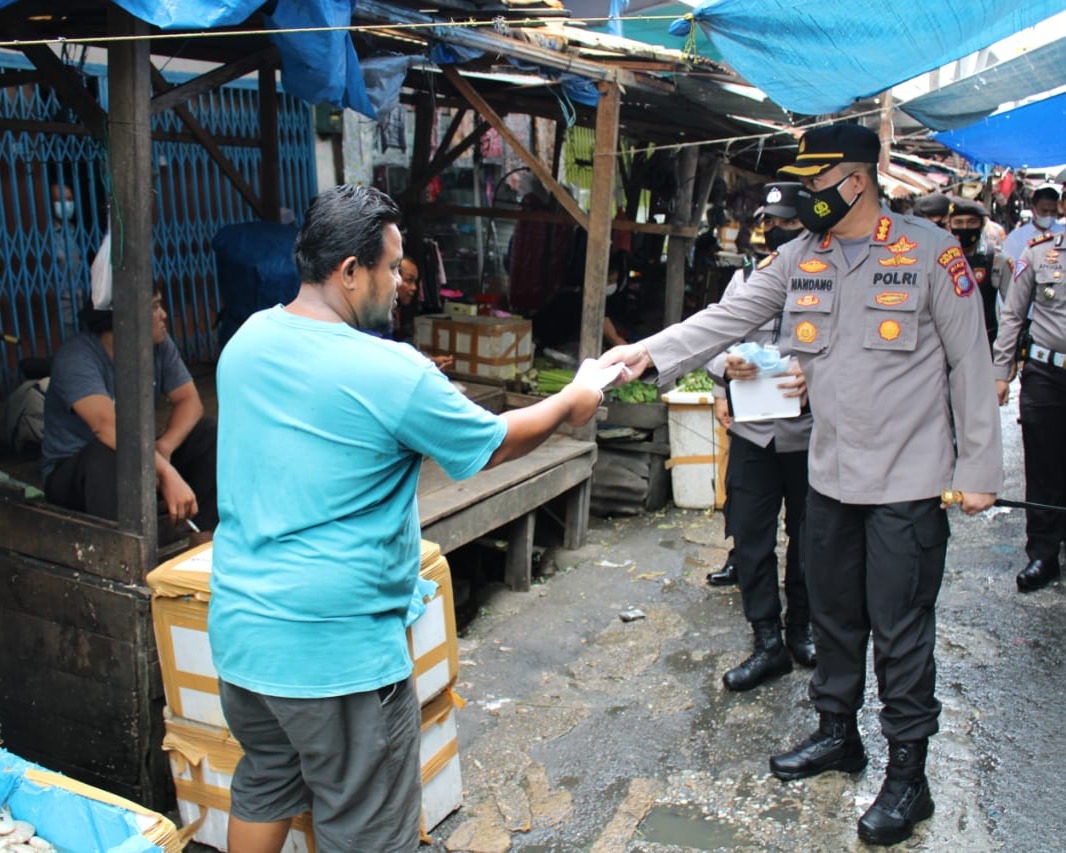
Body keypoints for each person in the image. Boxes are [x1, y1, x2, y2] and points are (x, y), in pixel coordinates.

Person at [600, 124, 1002, 847]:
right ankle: (837, 733)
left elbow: (971, 363)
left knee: (901, 630)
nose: (807, 196)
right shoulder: (798, 257)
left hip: (907, 484)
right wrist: (646, 353)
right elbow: (727, 318)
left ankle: (909, 775)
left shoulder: (930, 253)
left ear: (856, 180)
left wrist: (978, 468)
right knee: (836, 616)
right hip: (831, 478)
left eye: (817, 184)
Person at [208, 185, 603, 852]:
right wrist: (571, 400)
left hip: (243, 638)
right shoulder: (389, 369)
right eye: (392, 267)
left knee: (266, 781)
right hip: (337, 656)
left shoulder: (247, 340)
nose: (402, 284)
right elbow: (493, 441)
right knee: (365, 828)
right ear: (350, 271)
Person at [706, 181, 815, 691]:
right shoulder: (746, 278)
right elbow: (712, 336)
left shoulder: (826, 277)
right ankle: (766, 639)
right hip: (753, 431)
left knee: (810, 537)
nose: (778, 233)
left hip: (811, 432)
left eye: (788, 223)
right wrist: (723, 368)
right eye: (771, 224)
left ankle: (801, 630)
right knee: (750, 534)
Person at [40, 236, 216, 540]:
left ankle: (206, 539)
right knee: (107, 454)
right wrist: (165, 471)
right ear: (126, 317)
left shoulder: (158, 346)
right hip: (74, 475)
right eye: (155, 307)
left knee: (206, 433)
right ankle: (125, 561)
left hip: (140, 454)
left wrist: (164, 448)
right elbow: (109, 428)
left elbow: (190, 401)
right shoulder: (77, 357)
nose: (163, 316)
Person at [991, 227, 1066, 593]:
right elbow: (1013, 315)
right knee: (1043, 465)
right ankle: (1043, 553)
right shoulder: (1039, 253)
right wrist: (1001, 372)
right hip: (1046, 374)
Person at [948, 196, 1011, 351]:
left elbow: (1012, 308)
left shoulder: (995, 260)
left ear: (981, 225)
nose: (965, 227)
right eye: (959, 223)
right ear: (950, 225)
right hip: (947, 343)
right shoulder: (940, 258)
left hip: (985, 343)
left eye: (971, 222)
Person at [393, 254, 454, 371]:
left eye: (415, 282)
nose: (414, 288)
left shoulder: (402, 311)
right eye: (409, 280)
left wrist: (430, 360)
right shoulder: (379, 315)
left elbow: (403, 349)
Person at [1002, 184, 1064, 265]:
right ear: (1033, 209)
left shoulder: (1063, 233)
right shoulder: (1016, 237)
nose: (1049, 215)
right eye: (1044, 211)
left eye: (1053, 211)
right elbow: (1007, 265)